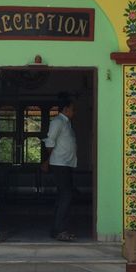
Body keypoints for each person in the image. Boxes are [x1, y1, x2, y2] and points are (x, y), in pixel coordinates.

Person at [41, 98, 77, 242]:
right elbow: (50, 142)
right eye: (73, 109)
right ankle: (60, 230)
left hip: (66, 164)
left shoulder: (67, 123)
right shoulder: (58, 122)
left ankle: (57, 230)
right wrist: (47, 161)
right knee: (66, 196)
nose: (75, 112)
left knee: (63, 197)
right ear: (66, 109)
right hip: (59, 164)